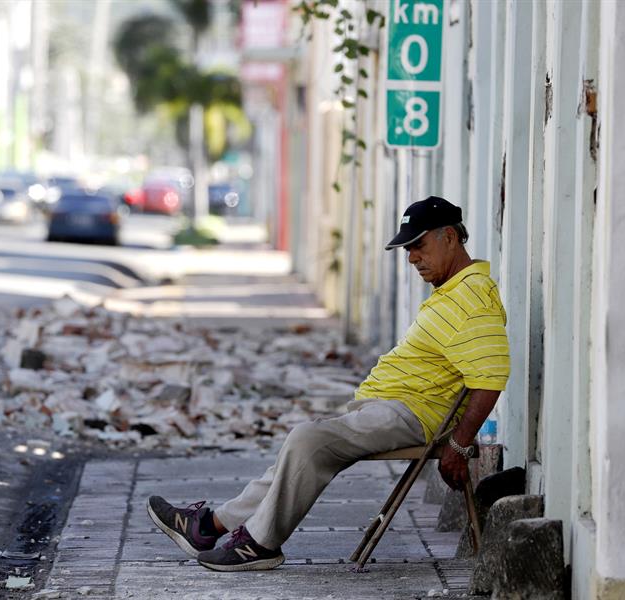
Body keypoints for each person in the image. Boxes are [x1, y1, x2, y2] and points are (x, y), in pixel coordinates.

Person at [147, 196, 510, 572]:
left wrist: (458, 443)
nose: (411, 257)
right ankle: (208, 526)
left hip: (412, 414)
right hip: (394, 408)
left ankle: (259, 544)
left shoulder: (472, 297)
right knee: (301, 447)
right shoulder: (454, 291)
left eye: (418, 245)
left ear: (449, 237)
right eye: (407, 248)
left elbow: (491, 376)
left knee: (308, 439)